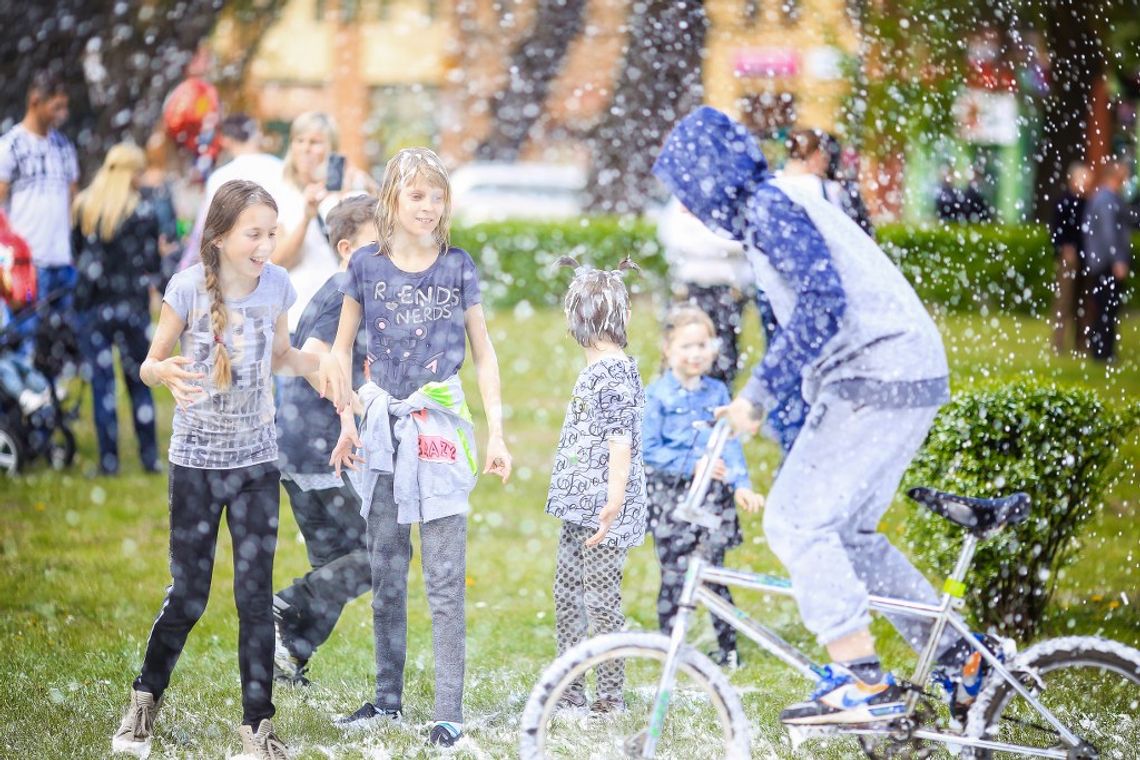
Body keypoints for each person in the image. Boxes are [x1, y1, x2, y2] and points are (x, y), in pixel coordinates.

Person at [653, 107, 990, 728]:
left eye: (691, 194)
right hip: (900, 371)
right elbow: (804, 327)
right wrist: (783, 408)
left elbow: (822, 302)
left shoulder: (768, 209)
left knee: (795, 520)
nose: (695, 212)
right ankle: (962, 661)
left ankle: (861, 677)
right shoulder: (772, 207)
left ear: (710, 179)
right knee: (847, 533)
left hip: (877, 374)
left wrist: (756, 394)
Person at [111, 179, 345, 760]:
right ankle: (143, 702)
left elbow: (281, 356)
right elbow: (148, 362)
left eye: (271, 233)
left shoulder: (278, 286)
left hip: (256, 465)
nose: (266, 245)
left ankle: (256, 729)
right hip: (196, 464)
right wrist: (160, 373)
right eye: (254, 234)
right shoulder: (187, 288)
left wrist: (321, 369)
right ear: (218, 237)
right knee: (190, 595)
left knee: (253, 595)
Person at [324, 147, 511, 747]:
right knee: (386, 568)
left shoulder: (458, 267)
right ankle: (386, 701)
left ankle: (448, 712)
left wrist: (498, 432)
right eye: (416, 196)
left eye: (437, 196)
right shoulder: (366, 270)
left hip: (439, 427)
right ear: (391, 202)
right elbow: (339, 350)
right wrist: (346, 418)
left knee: (446, 576)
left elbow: (484, 353)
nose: (428, 207)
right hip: (381, 426)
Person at [272, 194, 376, 686]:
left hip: (298, 444)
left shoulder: (351, 289)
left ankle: (289, 651)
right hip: (317, 446)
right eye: (381, 245)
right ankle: (286, 607)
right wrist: (356, 405)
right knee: (376, 555)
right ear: (346, 248)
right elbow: (312, 358)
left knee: (334, 564)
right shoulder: (343, 291)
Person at [544, 256, 647, 715]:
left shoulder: (614, 372)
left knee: (599, 600)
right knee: (567, 595)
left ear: (575, 321)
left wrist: (614, 500)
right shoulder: (601, 370)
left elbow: (620, 440)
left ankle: (608, 697)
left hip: (602, 509)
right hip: (579, 507)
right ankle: (569, 690)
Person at [642, 305, 763, 669]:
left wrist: (740, 483)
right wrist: (690, 465)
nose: (695, 354)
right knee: (675, 575)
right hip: (671, 497)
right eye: (686, 346)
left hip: (712, 498)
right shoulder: (658, 395)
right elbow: (648, 450)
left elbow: (730, 441)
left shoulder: (717, 392)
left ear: (713, 348)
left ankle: (728, 652)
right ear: (668, 350)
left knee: (712, 574)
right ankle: (670, 648)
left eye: (702, 345)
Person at [71, 142, 162, 475]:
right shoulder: (143, 212)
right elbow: (152, 263)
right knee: (140, 382)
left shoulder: (84, 207)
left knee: (102, 387)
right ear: (130, 172)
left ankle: (108, 463)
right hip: (131, 309)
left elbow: (77, 256)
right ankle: (149, 459)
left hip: (94, 309)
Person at [273, 111, 376, 333]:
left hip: (341, 317)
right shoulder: (282, 193)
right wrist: (307, 217)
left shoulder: (350, 194)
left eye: (315, 142)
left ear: (332, 149)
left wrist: (361, 188)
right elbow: (278, 262)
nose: (305, 149)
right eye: (299, 141)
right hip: (297, 316)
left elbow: (370, 251)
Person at [0, 69, 80, 350]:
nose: (62, 113)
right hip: (28, 264)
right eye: (56, 106)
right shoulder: (10, 146)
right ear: (35, 101)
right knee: (26, 343)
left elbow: (73, 200)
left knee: (60, 347)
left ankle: (54, 391)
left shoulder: (64, 147)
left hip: (63, 261)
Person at [657, 197, 754, 386]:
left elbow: (741, 241)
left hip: (727, 286)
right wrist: (716, 239)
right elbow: (671, 235)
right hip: (691, 285)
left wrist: (704, 238)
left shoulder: (731, 197)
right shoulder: (683, 197)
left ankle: (719, 393)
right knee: (684, 337)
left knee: (724, 348)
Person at [179, 114, 285, 272]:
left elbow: (207, 229)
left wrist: (187, 267)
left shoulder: (220, 177)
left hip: (236, 268)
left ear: (225, 140)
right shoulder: (280, 169)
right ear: (256, 135)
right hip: (279, 258)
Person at [1081, 158, 1133, 362]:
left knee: (1105, 307)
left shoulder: (1105, 198)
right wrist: (1118, 259)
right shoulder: (1106, 199)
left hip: (1102, 261)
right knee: (1107, 308)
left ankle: (1102, 349)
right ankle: (1103, 352)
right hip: (1106, 263)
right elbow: (1109, 231)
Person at [1049, 162, 1092, 354]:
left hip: (1085, 258)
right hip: (1069, 258)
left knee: (1082, 302)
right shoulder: (1064, 201)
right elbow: (1056, 230)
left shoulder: (1088, 203)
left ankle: (1081, 342)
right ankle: (1058, 342)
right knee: (1064, 301)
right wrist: (1063, 247)